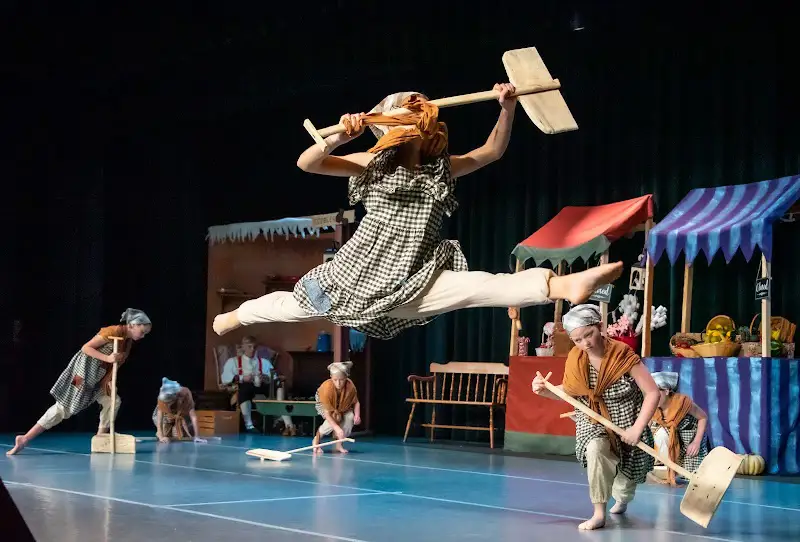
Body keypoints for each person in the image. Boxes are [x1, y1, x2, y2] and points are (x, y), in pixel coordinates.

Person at [212, 84, 624, 339]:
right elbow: (308, 163)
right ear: (391, 123)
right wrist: (340, 134)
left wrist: (507, 106)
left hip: (414, 277)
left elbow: (491, 152)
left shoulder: (441, 168)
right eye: (410, 106)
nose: (420, 108)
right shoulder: (371, 163)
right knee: (291, 307)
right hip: (359, 275)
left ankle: (563, 286)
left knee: (480, 286)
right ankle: (237, 317)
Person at [531, 304, 659, 531]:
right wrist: (545, 390)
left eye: (588, 334)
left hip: (627, 420)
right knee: (595, 450)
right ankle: (599, 513)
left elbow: (652, 393)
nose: (585, 344)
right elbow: (570, 392)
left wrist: (637, 428)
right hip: (592, 419)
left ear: (600, 326)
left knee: (626, 482)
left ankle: (622, 498)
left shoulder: (622, 355)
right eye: (577, 340)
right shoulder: (576, 358)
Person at [7, 308, 152, 456]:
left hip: (97, 377)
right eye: (142, 332)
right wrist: (108, 358)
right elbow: (86, 348)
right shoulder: (112, 331)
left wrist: (108, 378)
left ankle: (100, 437)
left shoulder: (126, 341)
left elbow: (113, 365)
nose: (143, 336)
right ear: (132, 325)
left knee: (112, 401)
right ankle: (25, 439)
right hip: (81, 374)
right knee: (63, 408)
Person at [220, 335, 293, 434]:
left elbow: (274, 377)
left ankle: (287, 423)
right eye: (249, 347)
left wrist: (265, 378)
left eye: (254, 347)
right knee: (244, 388)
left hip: (262, 386)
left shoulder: (264, 362)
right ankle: (249, 425)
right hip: (245, 387)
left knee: (278, 386)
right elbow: (225, 379)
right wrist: (242, 378)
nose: (252, 350)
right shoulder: (233, 362)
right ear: (243, 347)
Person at [647, 371, 708, 486]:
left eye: (656, 391)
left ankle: (679, 467)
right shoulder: (652, 404)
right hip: (671, 439)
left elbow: (703, 417)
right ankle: (668, 465)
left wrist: (696, 442)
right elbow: (647, 426)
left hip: (689, 439)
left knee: (691, 477)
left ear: (666, 391)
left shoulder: (682, 403)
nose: (653, 395)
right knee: (659, 434)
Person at [312, 361, 360, 455]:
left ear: (346, 377)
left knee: (349, 417)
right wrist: (337, 428)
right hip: (325, 405)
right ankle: (316, 440)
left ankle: (339, 444)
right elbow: (327, 414)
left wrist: (357, 415)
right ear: (331, 377)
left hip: (342, 405)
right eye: (335, 380)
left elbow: (356, 402)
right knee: (332, 420)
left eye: (341, 380)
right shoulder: (326, 389)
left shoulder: (350, 386)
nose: (338, 383)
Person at [152, 377, 206, 444]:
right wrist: (160, 435)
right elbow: (160, 417)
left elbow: (193, 416)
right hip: (166, 416)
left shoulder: (185, 394)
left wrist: (197, 436)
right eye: (167, 403)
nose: (168, 404)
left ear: (176, 397)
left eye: (170, 402)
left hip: (180, 414)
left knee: (179, 436)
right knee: (165, 436)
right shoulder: (162, 397)